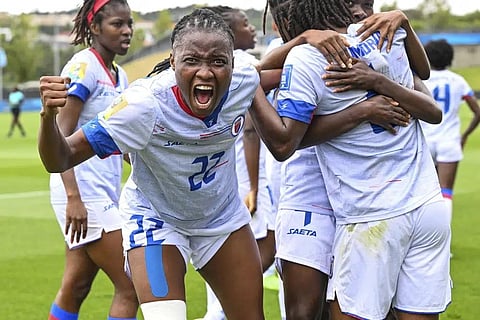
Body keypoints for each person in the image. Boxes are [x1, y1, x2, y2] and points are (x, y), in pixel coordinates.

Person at [39, 8, 265, 320]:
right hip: (157, 222)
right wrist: (48, 117)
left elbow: (272, 71)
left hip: (222, 219)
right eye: (192, 61)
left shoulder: (244, 82)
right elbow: (61, 157)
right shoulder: (143, 105)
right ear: (172, 62)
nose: (205, 72)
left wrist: (306, 40)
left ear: (233, 63)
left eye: (217, 61)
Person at [250, 0, 451, 319]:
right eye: (354, 4)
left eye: (366, 4)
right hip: (312, 195)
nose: (361, 11)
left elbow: (426, 96)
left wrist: (401, 26)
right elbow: (255, 77)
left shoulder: (384, 36)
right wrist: (363, 110)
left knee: (370, 307)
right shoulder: (296, 51)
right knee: (306, 310)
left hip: (367, 204)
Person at [45, 1, 138, 320]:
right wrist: (74, 198)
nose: (126, 31)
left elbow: (120, 140)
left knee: (76, 286)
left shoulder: (120, 75)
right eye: (117, 24)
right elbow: (60, 133)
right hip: (83, 192)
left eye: (129, 24)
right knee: (132, 285)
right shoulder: (83, 67)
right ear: (94, 27)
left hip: (101, 190)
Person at [195, 7, 276, 320]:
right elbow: (251, 132)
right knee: (260, 250)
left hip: (227, 176)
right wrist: (254, 186)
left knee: (249, 252)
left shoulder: (235, 67)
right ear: (229, 33)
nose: (252, 29)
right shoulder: (239, 64)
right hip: (242, 176)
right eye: (245, 24)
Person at [420, 39, 480, 229]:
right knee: (445, 191)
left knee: (424, 193)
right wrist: (465, 135)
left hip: (425, 141)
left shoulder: (421, 80)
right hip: (449, 141)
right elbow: (478, 112)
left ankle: (424, 241)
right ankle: (444, 244)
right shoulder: (458, 81)